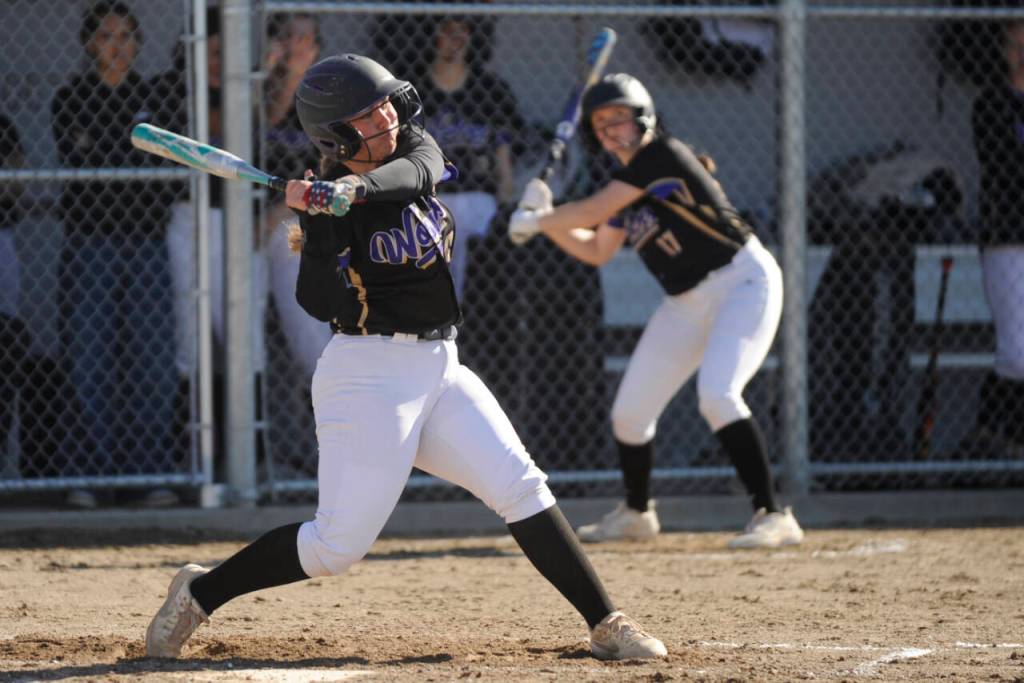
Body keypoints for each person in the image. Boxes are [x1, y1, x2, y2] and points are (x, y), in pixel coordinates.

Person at [144, 54, 667, 662]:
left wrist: (353, 187)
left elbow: (423, 169)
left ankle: (606, 623)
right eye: (368, 115)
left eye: (387, 103)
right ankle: (200, 593)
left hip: (441, 365)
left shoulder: (408, 149)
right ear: (335, 134)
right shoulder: (328, 206)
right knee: (335, 548)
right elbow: (319, 302)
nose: (389, 117)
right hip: (367, 379)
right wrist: (315, 225)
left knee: (521, 487)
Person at [508, 73, 804, 549]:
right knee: (630, 413)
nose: (611, 129)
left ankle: (773, 514)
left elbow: (588, 212)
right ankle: (637, 513)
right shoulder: (624, 184)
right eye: (602, 122)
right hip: (685, 302)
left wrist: (539, 218)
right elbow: (596, 248)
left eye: (619, 117)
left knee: (719, 395)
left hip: (742, 283)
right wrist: (543, 225)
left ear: (643, 116)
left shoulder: (662, 156)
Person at [51, 1, 179, 508]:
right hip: (90, 243)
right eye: (106, 36)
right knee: (88, 359)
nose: (117, 45)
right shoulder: (69, 97)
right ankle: (86, 475)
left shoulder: (154, 96)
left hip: (147, 242)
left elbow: (160, 165)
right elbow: (81, 155)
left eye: (126, 36)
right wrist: (125, 154)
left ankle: (150, 475)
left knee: (152, 362)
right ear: (89, 42)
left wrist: (116, 153)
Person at [415, 12, 524, 298]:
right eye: (448, 30)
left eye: (464, 31)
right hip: (430, 197)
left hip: (479, 195)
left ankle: (464, 321)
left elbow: (504, 156)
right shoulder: (411, 92)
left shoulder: (491, 90)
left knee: (476, 240)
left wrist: (506, 190)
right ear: (433, 37)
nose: (457, 39)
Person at [964, 20, 1024, 455]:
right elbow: (1005, 167)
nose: (1022, 54)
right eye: (1016, 46)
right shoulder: (993, 104)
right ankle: (992, 433)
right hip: (1010, 238)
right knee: (1017, 351)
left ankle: (1002, 436)